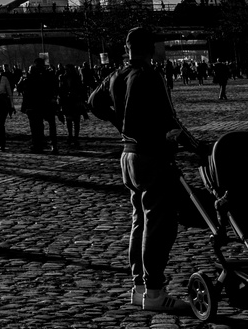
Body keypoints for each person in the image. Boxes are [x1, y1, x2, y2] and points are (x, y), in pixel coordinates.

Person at [89, 26, 198, 315]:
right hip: (152, 157)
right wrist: (194, 145)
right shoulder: (150, 75)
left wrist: (121, 124)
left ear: (127, 49)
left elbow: (94, 102)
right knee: (159, 225)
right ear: (150, 50)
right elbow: (168, 119)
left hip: (129, 156)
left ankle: (139, 288)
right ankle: (155, 291)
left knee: (139, 220)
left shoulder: (117, 75)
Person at [18, 57, 59, 153]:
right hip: (45, 103)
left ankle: (39, 144)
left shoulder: (31, 76)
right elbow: (55, 87)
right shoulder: (48, 74)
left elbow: (20, 88)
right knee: (49, 125)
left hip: (37, 104)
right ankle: (52, 144)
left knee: (37, 126)